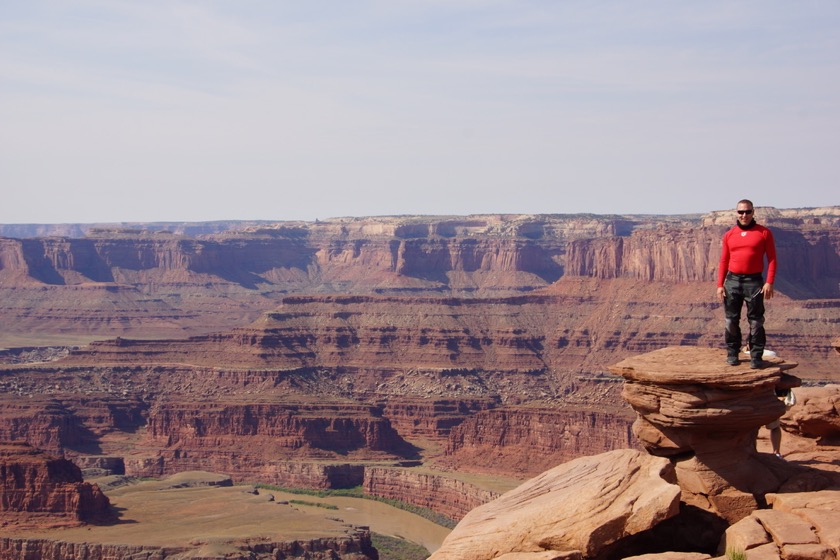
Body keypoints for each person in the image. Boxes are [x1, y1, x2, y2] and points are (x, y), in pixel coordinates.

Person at [716, 199, 777, 369]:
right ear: (737, 213)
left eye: (747, 212)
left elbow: (772, 259)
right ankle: (732, 353)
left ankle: (756, 356)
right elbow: (724, 260)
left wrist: (769, 282)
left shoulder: (764, 233)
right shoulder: (729, 234)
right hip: (733, 281)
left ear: (753, 212)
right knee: (730, 320)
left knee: (756, 321)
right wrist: (720, 285)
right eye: (741, 212)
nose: (744, 215)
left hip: (754, 281)